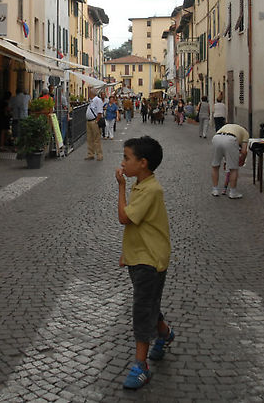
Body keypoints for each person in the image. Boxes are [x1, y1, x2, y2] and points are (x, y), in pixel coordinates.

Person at [114, 136, 173, 390]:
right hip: (140, 257)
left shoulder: (151, 190)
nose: (123, 163)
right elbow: (138, 229)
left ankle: (141, 366)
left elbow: (124, 218)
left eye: (127, 158)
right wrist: (127, 254)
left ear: (143, 163)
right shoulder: (142, 184)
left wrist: (120, 188)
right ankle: (165, 333)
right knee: (149, 302)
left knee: (142, 308)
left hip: (151, 260)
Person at [210, 122, 250, 199]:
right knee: (233, 169)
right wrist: (241, 160)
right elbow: (244, 151)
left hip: (216, 138)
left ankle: (215, 190)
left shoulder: (228, 126)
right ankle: (233, 192)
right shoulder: (245, 133)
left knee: (215, 165)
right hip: (231, 140)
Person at [85, 88, 104, 161]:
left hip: (94, 121)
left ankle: (99, 154)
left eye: (89, 93)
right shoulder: (91, 101)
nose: (88, 94)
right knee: (89, 138)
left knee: (96, 139)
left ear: (91, 93)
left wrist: (97, 120)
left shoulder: (97, 100)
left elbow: (99, 112)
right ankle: (91, 154)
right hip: (89, 121)